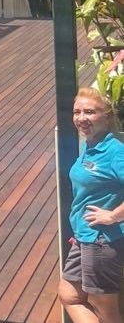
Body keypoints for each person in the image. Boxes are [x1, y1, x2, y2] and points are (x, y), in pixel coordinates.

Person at [61, 88, 124, 323]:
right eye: (77, 112)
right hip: (84, 236)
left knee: (106, 311)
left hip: (102, 240)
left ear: (106, 117)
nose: (81, 118)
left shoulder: (115, 152)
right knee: (69, 295)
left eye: (89, 112)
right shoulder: (89, 145)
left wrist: (114, 216)